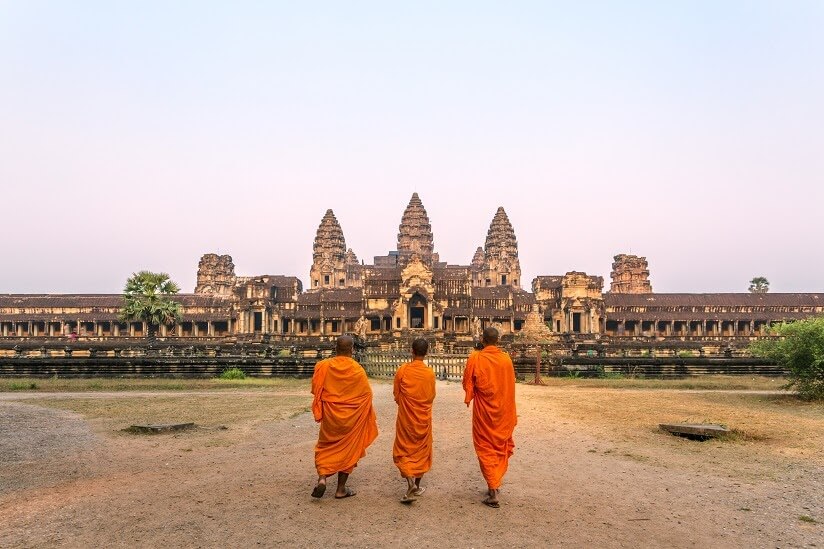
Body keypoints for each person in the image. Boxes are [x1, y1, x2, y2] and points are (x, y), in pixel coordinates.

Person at [310, 335, 378, 499]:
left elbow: (316, 389)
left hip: (331, 417)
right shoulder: (357, 370)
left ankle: (322, 478)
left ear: (335, 349)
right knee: (349, 448)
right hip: (351, 419)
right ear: (352, 350)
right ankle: (340, 489)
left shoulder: (323, 366)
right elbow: (367, 395)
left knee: (325, 446)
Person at [462, 327, 517, 508]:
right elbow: (509, 385)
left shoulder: (475, 358)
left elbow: (467, 383)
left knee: (485, 449)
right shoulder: (506, 360)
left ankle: (493, 491)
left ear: (482, 339)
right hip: (503, 412)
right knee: (498, 447)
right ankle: (494, 482)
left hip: (485, 413)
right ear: (498, 341)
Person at [393, 337, 436, 503]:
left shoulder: (403, 370)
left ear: (412, 351)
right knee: (421, 450)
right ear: (427, 353)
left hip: (406, 418)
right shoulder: (429, 373)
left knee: (404, 449)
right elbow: (431, 396)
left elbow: (397, 395)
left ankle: (410, 481)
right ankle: (416, 486)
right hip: (423, 418)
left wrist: (405, 404)